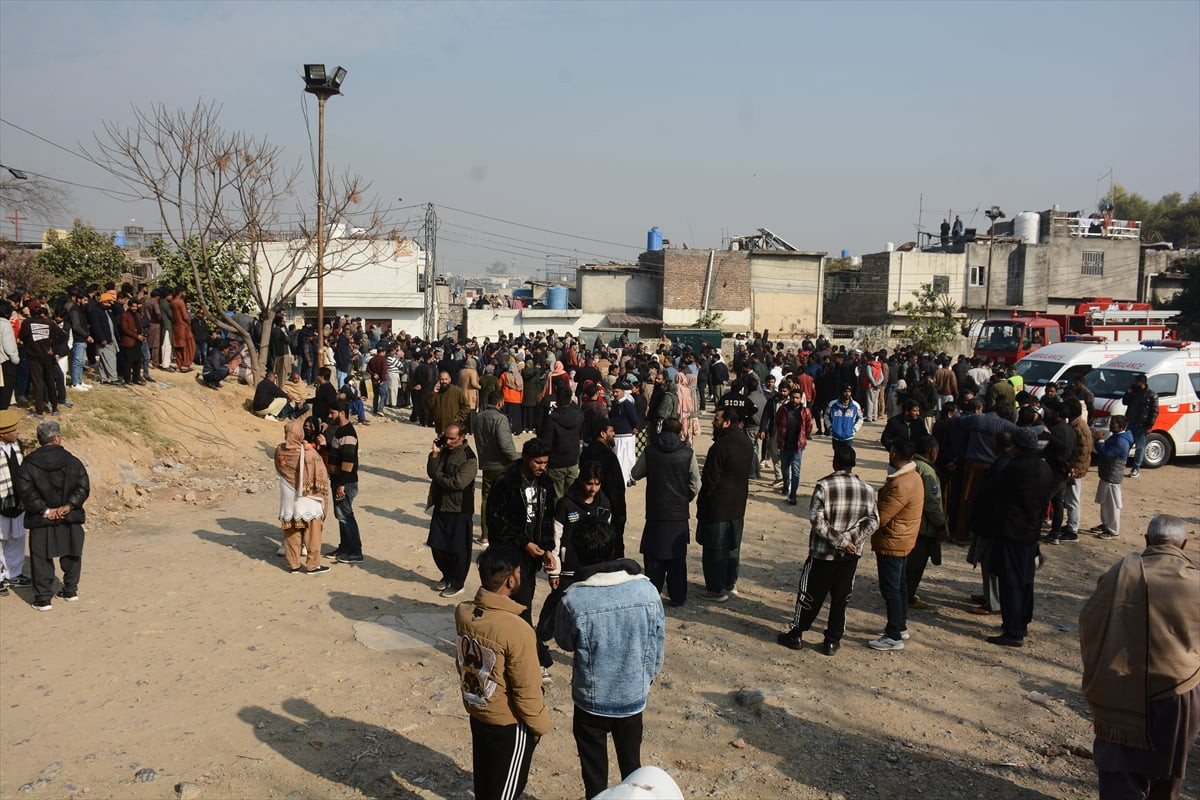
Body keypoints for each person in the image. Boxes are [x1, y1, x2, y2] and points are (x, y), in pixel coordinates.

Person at [1079, 515, 1199, 800]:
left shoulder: (1119, 574)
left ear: (1147, 540)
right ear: (1183, 544)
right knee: (1167, 765)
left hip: (1118, 687)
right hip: (1177, 689)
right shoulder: (1196, 583)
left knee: (1120, 767)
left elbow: (1089, 620)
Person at [555, 521, 665, 799]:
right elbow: (657, 643)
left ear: (578, 553)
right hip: (632, 699)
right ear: (615, 549)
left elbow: (564, 642)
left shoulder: (574, 599)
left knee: (594, 774)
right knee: (632, 768)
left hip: (591, 702)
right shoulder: (647, 591)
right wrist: (645, 679)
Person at [454, 546, 552, 800]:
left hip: (479, 709)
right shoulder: (516, 629)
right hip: (509, 723)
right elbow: (526, 687)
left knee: (485, 781)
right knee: (507, 790)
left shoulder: (463, 612)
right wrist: (539, 724)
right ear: (511, 580)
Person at [777, 445, 879, 654]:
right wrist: (851, 539)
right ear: (854, 464)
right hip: (850, 555)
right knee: (841, 598)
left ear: (834, 463)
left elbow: (817, 519)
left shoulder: (824, 486)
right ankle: (832, 640)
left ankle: (796, 633)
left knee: (810, 594)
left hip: (822, 553)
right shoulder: (867, 489)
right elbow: (874, 521)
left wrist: (839, 540)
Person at [486, 438, 559, 680]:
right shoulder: (505, 482)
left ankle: (531, 658)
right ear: (526, 458)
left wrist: (547, 548)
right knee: (505, 608)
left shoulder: (546, 483)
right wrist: (523, 542)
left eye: (546, 463)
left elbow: (548, 520)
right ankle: (533, 659)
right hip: (507, 557)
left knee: (524, 607)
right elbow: (496, 521)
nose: (542, 467)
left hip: (530, 560)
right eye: (538, 462)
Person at [980, 427, 1053, 647]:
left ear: (1018, 446)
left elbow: (995, 494)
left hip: (1012, 532)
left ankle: (1013, 630)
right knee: (1025, 581)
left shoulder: (1015, 468)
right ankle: (1022, 622)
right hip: (1031, 533)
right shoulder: (1044, 468)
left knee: (1010, 582)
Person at [16, 420, 90, 611]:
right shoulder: (72, 461)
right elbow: (83, 487)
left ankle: (43, 599)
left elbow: (25, 491)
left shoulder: (29, 463)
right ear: (56, 438)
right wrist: (69, 506)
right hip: (69, 516)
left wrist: (45, 510)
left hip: (42, 519)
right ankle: (70, 590)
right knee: (73, 551)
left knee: (40, 557)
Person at [631, 417, 699, 607]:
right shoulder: (687, 453)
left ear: (661, 430)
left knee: (654, 557)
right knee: (677, 558)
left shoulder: (651, 451)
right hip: (678, 514)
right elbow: (696, 483)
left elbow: (635, 473)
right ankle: (677, 596)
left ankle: (652, 594)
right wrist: (686, 497)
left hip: (655, 511)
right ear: (679, 433)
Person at [869, 439, 924, 651]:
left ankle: (893, 636)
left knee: (890, 587)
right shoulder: (914, 477)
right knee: (899, 585)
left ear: (893, 453)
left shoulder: (900, 484)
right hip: (904, 538)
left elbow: (881, 517)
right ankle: (899, 626)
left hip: (893, 540)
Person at [695, 408, 753, 602]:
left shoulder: (720, 446)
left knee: (714, 549)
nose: (713, 422)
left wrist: (703, 502)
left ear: (727, 422)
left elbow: (710, 479)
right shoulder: (746, 441)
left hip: (718, 506)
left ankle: (715, 589)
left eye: (716, 419)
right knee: (732, 546)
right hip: (737, 505)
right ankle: (730, 583)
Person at [427, 423, 478, 597]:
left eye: (452, 438)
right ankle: (447, 575)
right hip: (441, 505)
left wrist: (438, 476)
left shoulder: (469, 458)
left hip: (459, 508)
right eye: (446, 437)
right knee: (437, 545)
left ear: (462, 437)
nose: (448, 441)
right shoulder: (444, 451)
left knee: (458, 549)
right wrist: (434, 453)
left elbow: (458, 483)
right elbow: (431, 472)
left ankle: (458, 583)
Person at [273, 417, 329, 574]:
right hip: (308, 499)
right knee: (313, 534)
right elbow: (321, 474)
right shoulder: (309, 453)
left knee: (291, 533)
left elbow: (279, 468)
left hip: (288, 498)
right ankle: (313, 565)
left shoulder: (279, 451)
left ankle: (294, 564)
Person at [905, 435, 949, 610]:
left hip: (912, 523)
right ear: (932, 452)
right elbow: (932, 502)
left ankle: (906, 593)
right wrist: (940, 525)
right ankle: (907, 595)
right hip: (923, 526)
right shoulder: (927, 471)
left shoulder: (912, 465)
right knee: (915, 565)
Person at [474, 390, 519, 547]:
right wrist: (517, 460)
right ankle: (502, 532)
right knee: (504, 499)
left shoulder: (478, 417)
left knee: (486, 498)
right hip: (501, 464)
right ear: (500, 403)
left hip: (486, 463)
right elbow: (505, 445)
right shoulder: (501, 419)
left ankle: (485, 535)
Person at [578, 417, 627, 552]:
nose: (614, 434)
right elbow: (616, 486)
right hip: (608, 507)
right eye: (611, 431)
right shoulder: (609, 456)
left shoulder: (585, 453)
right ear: (602, 433)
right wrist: (621, 512)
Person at [325, 400, 363, 563]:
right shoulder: (340, 431)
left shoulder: (347, 433)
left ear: (342, 413)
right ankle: (345, 548)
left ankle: (355, 551)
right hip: (339, 480)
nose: (329, 416)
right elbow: (338, 455)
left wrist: (341, 485)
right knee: (341, 515)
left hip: (345, 482)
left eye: (332, 413)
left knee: (346, 516)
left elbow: (347, 463)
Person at [18, 304, 67, 418]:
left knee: (38, 383)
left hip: (34, 356)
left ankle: (39, 412)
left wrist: (30, 344)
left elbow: (22, 337)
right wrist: (52, 347)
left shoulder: (27, 323)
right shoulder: (49, 322)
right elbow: (63, 336)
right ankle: (54, 408)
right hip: (47, 355)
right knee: (50, 381)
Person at [538, 386, 585, 502]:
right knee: (573, 495)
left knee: (557, 496)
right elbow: (578, 409)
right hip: (573, 458)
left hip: (556, 461)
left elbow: (547, 441)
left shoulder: (552, 418)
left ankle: (558, 518)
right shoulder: (578, 415)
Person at [0, 408, 28, 595]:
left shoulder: (18, 446)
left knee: (16, 537)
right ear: (2, 434)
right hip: (1, 501)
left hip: (18, 501)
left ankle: (14, 573)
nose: (17, 432)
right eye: (13, 430)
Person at [1093, 415, 1134, 541]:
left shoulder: (1121, 441)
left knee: (1112, 504)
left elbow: (1107, 454)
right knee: (1105, 502)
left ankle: (1113, 530)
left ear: (1121, 426)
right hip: (1107, 474)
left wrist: (1100, 441)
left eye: (1113, 424)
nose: (1111, 425)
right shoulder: (1118, 437)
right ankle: (1106, 524)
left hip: (1112, 476)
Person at [774, 387, 813, 506]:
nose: (794, 400)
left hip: (798, 446)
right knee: (785, 468)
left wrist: (803, 437)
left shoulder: (805, 411)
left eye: (797, 398)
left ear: (801, 399)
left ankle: (793, 494)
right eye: (793, 397)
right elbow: (777, 422)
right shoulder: (783, 409)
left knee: (796, 471)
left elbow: (809, 427)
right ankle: (786, 485)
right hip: (784, 444)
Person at [1121, 374, 1158, 478]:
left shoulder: (1151, 395)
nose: (1135, 384)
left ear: (1142, 382)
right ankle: (1121, 466)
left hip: (1141, 425)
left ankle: (1135, 468)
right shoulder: (1134, 393)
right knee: (1125, 445)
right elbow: (1125, 402)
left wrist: (1149, 426)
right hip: (1130, 423)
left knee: (1139, 448)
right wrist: (1128, 393)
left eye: (1137, 382)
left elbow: (1154, 412)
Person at [606, 380, 641, 487]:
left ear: (622, 392)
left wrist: (635, 427)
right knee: (619, 459)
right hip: (617, 437)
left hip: (626, 437)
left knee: (627, 459)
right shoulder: (614, 404)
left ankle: (627, 479)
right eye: (613, 392)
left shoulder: (627, 404)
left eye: (617, 392)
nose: (615, 394)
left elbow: (635, 419)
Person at [427, 370, 471, 435]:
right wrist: (434, 393)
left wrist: (458, 418)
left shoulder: (457, 391)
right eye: (442, 379)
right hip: (440, 428)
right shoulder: (436, 391)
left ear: (450, 379)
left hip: (454, 427)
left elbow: (466, 406)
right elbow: (429, 405)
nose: (444, 381)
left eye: (446, 379)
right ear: (439, 380)